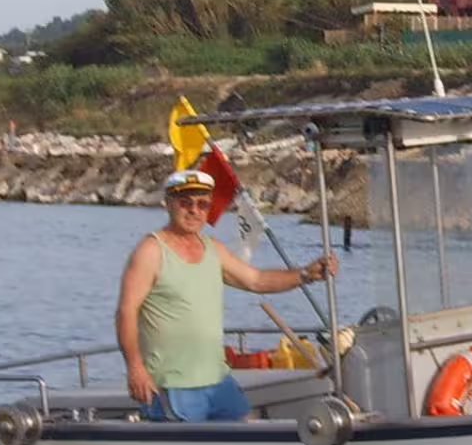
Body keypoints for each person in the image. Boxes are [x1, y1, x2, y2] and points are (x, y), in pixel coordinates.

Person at [115, 167, 338, 422]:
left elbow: (257, 280)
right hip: (172, 386)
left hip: (218, 381)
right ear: (168, 204)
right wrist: (135, 368)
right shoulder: (151, 251)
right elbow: (126, 312)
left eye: (202, 204)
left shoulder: (214, 250)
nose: (194, 210)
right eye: (185, 202)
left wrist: (306, 274)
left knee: (252, 435)